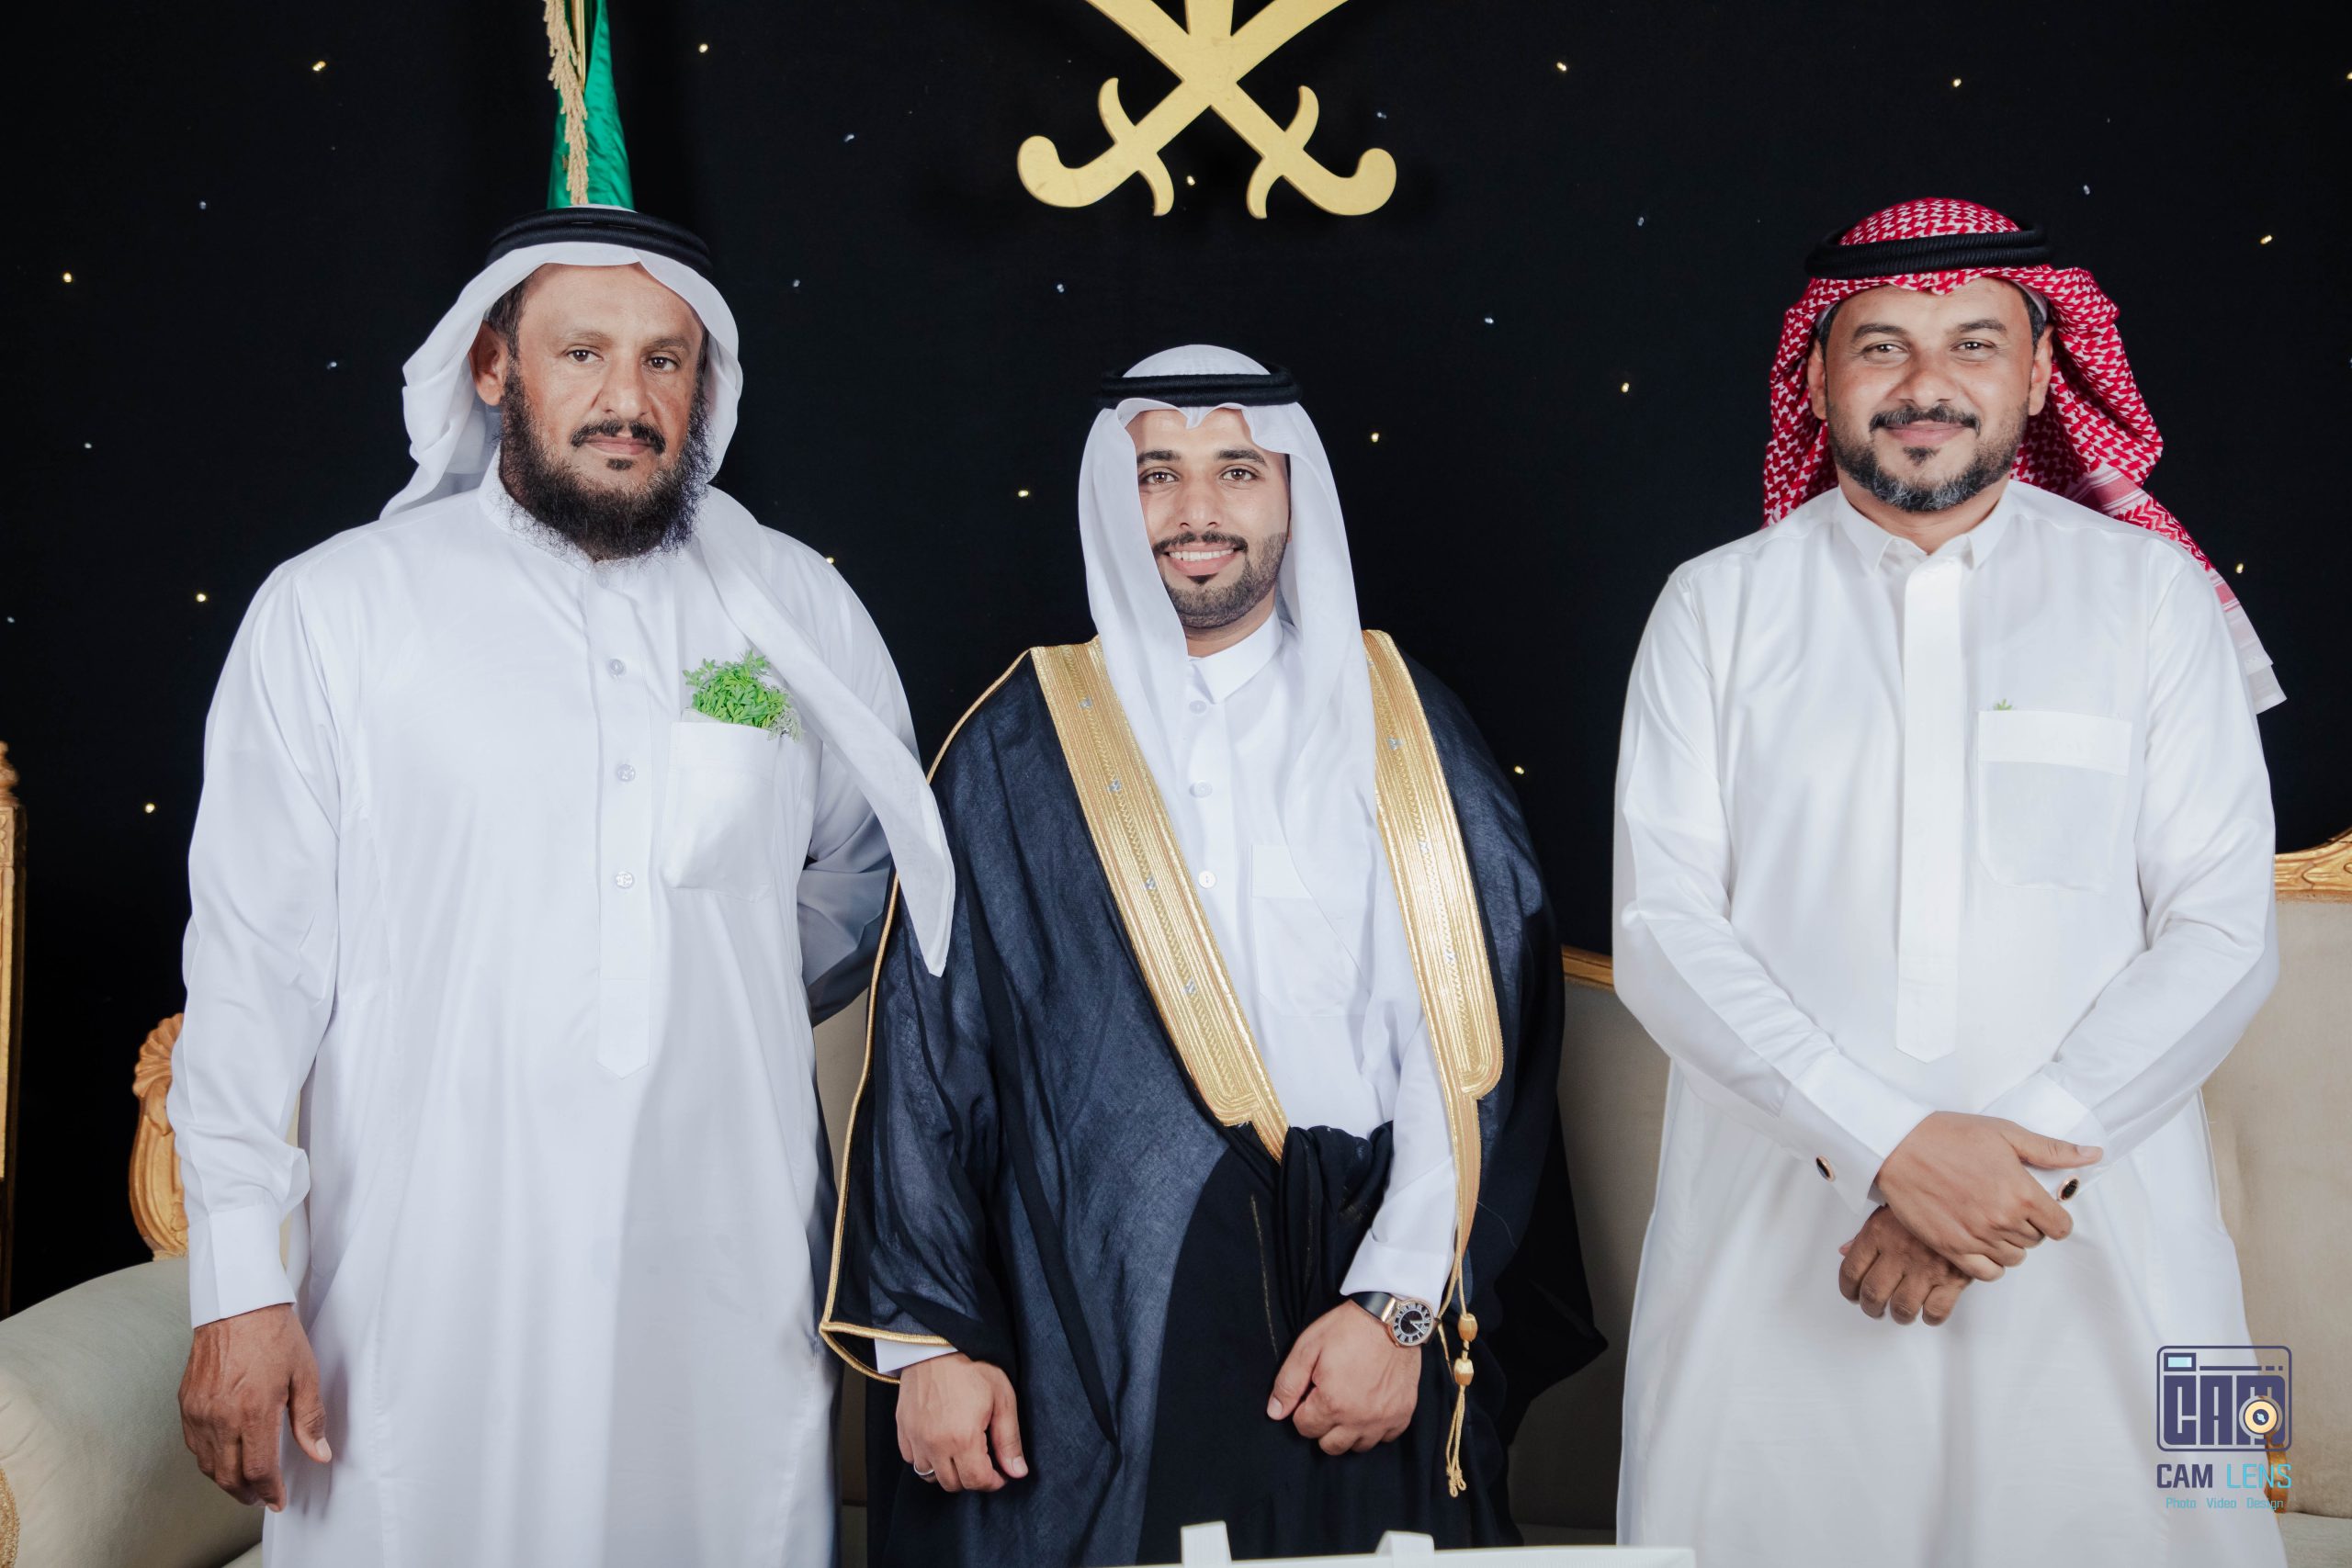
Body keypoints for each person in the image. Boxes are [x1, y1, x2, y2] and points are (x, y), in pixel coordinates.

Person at [167, 202, 954, 1566]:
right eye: (582, 353)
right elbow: (251, 968)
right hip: (423, 1293)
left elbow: (875, 874)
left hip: (725, 1286)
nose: (625, 399)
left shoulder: (795, 609)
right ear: (492, 368)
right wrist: (238, 1286)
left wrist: (718, 979)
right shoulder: (337, 611)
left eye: (664, 360)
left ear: (705, 388)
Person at [823, 346, 1601, 1565]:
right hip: (1092, 1307)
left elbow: (1476, 1049)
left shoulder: (1401, 719)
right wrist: (932, 1345)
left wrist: (1398, 1309)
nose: (1197, 511)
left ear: (1293, 493)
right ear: (1109, 499)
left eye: (1238, 471)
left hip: (1360, 1300)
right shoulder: (1017, 743)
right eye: (1157, 476)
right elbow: (929, 1065)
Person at [1611, 197, 2285, 1567]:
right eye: (1883, 347)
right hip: (1783, 1236)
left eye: (1975, 343)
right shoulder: (1713, 607)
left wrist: (1996, 1173)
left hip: (2121, 1234)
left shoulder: (2154, 600)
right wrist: (1888, 1147)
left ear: (2039, 374)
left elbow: (2225, 932)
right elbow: (1664, 932)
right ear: (1816, 378)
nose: (1928, 384)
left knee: (2201, 1524)